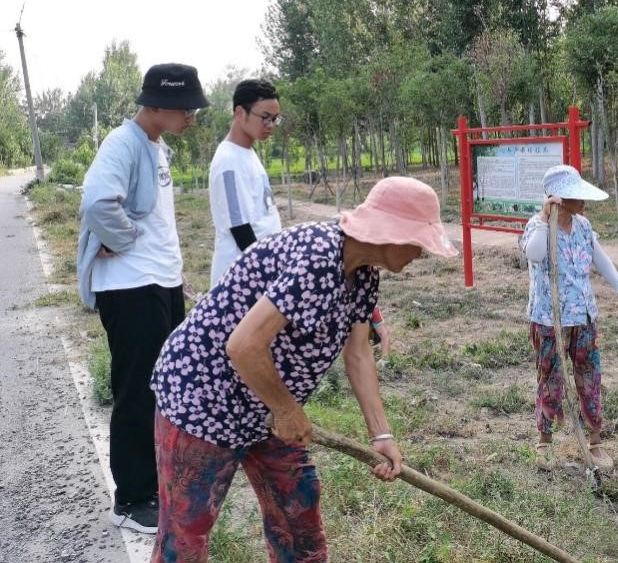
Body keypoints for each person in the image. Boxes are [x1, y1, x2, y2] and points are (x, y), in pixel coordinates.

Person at [148, 176, 456, 561]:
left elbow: (359, 353)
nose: (420, 254)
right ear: (391, 233)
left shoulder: (364, 274)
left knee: (299, 517)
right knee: (186, 531)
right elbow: (243, 345)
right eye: (419, 242)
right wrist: (287, 410)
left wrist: (382, 435)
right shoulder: (318, 258)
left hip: (268, 405)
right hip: (205, 399)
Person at [76, 63, 210, 534]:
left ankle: (156, 484)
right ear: (156, 105)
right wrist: (124, 238)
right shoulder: (123, 142)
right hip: (132, 287)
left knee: (166, 387)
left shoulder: (156, 146)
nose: (191, 116)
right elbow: (97, 201)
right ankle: (132, 500)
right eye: (184, 108)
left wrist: (174, 273)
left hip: (159, 283)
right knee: (137, 392)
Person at [208, 78, 393, 352]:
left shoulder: (247, 154)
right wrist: (275, 277)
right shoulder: (228, 161)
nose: (271, 125)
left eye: (275, 119)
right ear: (239, 113)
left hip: (263, 271)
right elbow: (241, 230)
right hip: (245, 279)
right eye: (265, 117)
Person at [519, 164, 618, 472]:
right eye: (576, 196)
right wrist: (545, 218)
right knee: (550, 378)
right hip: (550, 319)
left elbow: (600, 258)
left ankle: (595, 440)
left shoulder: (583, 226)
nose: (583, 202)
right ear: (557, 199)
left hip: (583, 317)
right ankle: (545, 441)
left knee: (590, 376)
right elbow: (534, 255)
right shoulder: (538, 226)